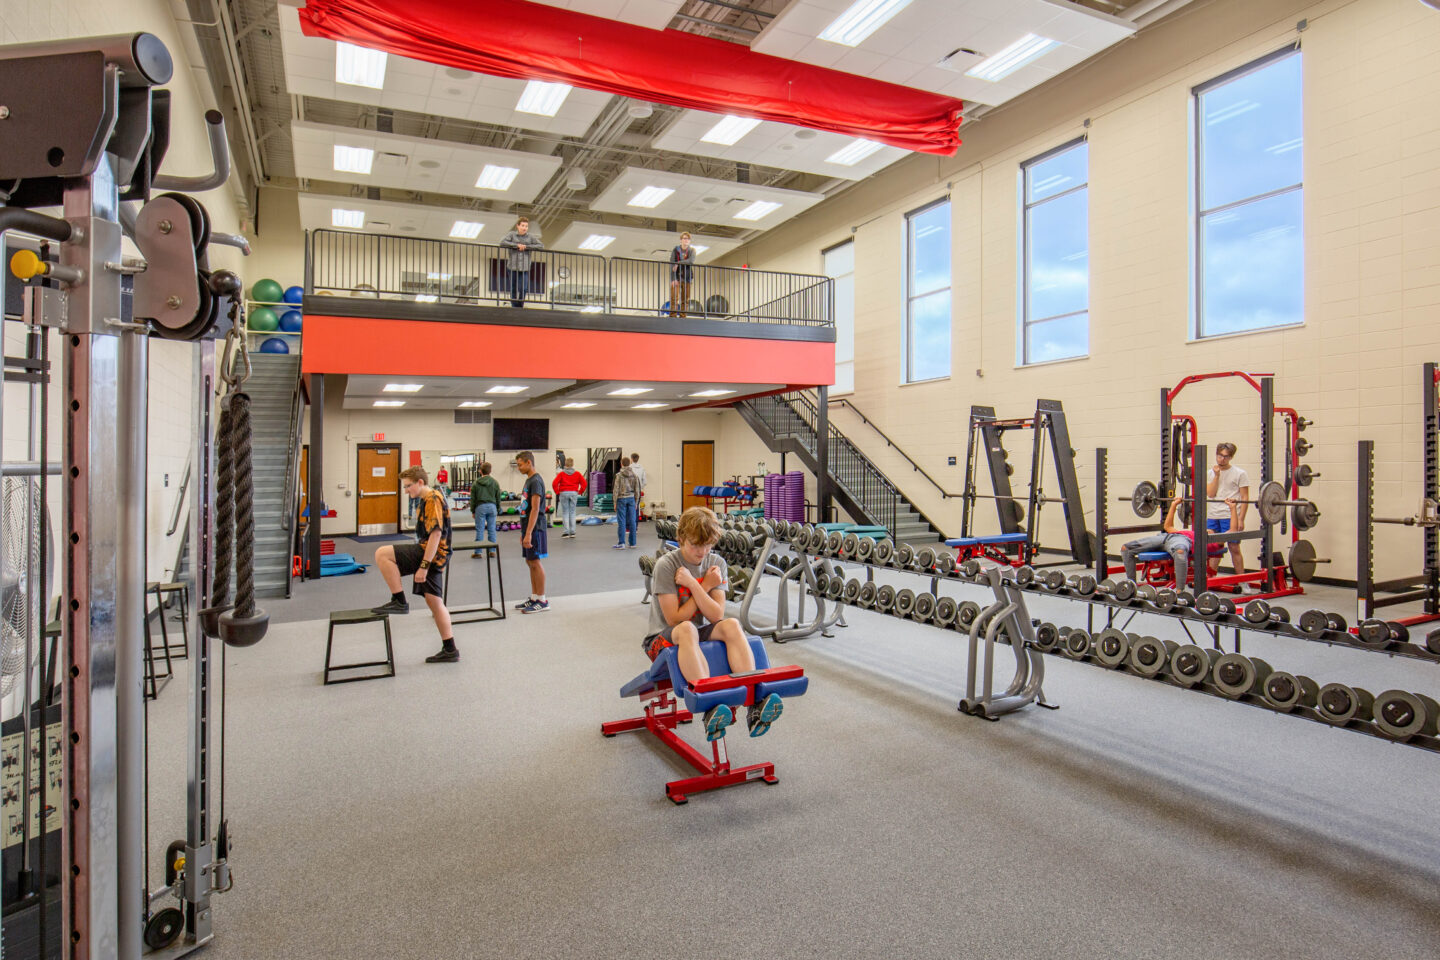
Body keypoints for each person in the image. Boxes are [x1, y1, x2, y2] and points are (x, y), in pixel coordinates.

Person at [644, 506, 783, 740]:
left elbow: (716, 614)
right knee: (687, 628)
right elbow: (675, 619)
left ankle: (754, 702)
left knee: (731, 625)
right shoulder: (666, 566)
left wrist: (697, 585)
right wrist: (705, 585)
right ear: (681, 539)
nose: (703, 551)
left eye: (708, 544)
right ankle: (710, 706)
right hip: (661, 639)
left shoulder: (716, 563)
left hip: (696, 633)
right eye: (696, 545)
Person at [370, 466, 458, 663]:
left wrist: (424, 566)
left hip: (431, 553)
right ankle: (450, 649)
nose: (406, 490)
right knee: (434, 602)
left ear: (420, 482)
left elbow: (436, 534)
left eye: (408, 486)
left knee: (382, 554)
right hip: (434, 553)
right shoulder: (426, 499)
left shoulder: (432, 498)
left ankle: (399, 600)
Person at [1121, 493, 1238, 591]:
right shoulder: (1189, 532)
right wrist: (1174, 504)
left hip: (1181, 541)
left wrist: (1232, 508)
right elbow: (1168, 526)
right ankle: (1132, 586)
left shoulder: (1213, 542)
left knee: (1180, 552)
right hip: (1167, 537)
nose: (1209, 529)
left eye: (1211, 531)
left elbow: (1233, 531)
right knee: (1126, 548)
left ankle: (1179, 592)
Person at [1206, 441, 1251, 588]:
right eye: (1219, 455)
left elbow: (1245, 497)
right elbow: (1211, 494)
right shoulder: (1210, 473)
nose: (1221, 459)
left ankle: (1243, 582)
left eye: (1225, 457)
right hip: (1213, 515)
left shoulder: (1240, 473)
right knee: (1214, 548)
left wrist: (1241, 519)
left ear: (1231, 457)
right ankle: (1211, 580)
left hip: (1230, 516)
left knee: (1234, 548)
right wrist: (1217, 476)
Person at [515, 451, 550, 613]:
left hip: (536, 529)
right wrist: (523, 532)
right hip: (527, 527)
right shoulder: (529, 481)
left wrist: (529, 533)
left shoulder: (536, 481)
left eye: (520, 464)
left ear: (529, 463)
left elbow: (535, 509)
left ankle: (542, 600)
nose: (518, 467)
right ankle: (535, 597)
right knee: (529, 562)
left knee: (535, 562)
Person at [499, 216, 543, 308]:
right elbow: (502, 242)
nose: (524, 228)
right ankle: (515, 306)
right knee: (513, 288)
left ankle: (520, 305)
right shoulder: (512, 234)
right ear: (518, 226)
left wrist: (526, 247)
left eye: (526, 226)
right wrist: (516, 245)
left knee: (524, 288)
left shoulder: (530, 237)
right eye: (523, 226)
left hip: (525, 267)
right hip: (512, 266)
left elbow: (541, 246)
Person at [469, 460, 501, 556]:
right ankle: (492, 551)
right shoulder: (495, 483)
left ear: (480, 471)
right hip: (492, 507)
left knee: (480, 530)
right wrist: (498, 508)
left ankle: (478, 552)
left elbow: (473, 499)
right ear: (490, 471)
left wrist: (473, 510)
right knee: (492, 529)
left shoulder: (476, 483)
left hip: (480, 507)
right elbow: (498, 497)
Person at [552, 458, 587, 539]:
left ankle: (566, 532)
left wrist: (557, 492)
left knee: (565, 512)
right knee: (572, 512)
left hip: (563, 493)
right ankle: (573, 532)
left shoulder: (561, 474)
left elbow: (554, 483)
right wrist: (580, 491)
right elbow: (584, 483)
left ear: (565, 464)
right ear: (572, 464)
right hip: (574, 493)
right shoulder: (577, 474)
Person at [613, 456, 639, 550]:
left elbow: (616, 489)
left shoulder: (619, 475)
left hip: (621, 499)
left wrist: (614, 502)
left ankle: (621, 543)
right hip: (631, 499)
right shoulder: (634, 475)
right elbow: (637, 490)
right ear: (629, 464)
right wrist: (636, 501)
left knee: (622, 521)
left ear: (621, 464)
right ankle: (633, 543)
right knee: (632, 521)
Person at [668, 232, 695, 318]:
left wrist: (678, 263)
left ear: (689, 241)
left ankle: (683, 316)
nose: (686, 240)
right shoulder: (675, 250)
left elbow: (691, 261)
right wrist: (673, 279)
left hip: (687, 278)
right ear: (681, 240)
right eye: (684, 238)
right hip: (677, 278)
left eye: (687, 239)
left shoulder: (692, 250)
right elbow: (672, 264)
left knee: (685, 299)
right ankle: (673, 316)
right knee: (674, 298)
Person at [628, 452, 647, 517]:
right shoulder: (642, 468)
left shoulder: (629, 468)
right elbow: (645, 481)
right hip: (638, 490)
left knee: (630, 507)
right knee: (636, 506)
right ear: (638, 459)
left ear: (631, 459)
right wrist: (641, 487)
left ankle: (631, 523)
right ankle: (635, 523)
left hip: (630, 491)